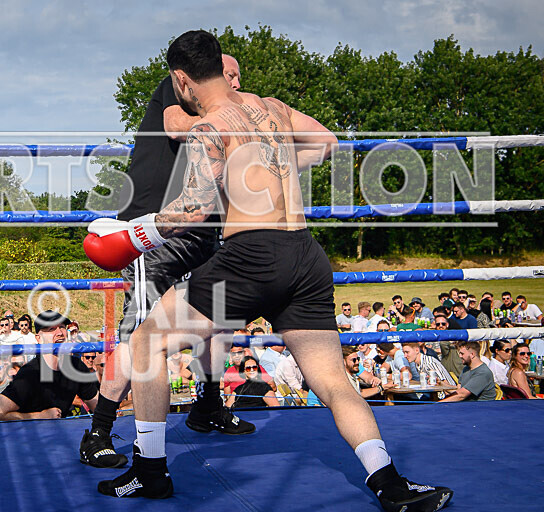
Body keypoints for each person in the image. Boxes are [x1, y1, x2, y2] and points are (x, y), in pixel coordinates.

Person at [85, 31, 451, 508]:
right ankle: (390, 483)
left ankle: (150, 471)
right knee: (333, 382)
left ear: (182, 80)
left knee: (145, 342)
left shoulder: (209, 127)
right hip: (306, 257)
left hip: (252, 257)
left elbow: (194, 209)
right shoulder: (272, 108)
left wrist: (136, 233)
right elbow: (326, 141)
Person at [76, 52, 245, 469]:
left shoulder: (231, 115)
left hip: (205, 233)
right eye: (229, 75)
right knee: (139, 336)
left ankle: (208, 406)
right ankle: (98, 431)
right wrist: (230, 124)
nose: (236, 84)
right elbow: (174, 125)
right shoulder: (178, 88)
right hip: (154, 230)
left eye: (239, 77)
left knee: (215, 320)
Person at [0, 311, 99, 422]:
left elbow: (97, 405)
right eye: (51, 329)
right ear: (39, 338)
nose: (59, 333)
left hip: (61, 431)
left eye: (62, 327)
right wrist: (40, 416)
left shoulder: (76, 366)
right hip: (29, 432)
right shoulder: (30, 373)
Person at [307, 346, 393, 406]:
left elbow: (358, 393)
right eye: (354, 360)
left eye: (358, 359)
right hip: (317, 410)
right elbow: (326, 403)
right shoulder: (336, 377)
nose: (357, 362)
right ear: (343, 362)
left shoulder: (352, 371)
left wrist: (381, 386)